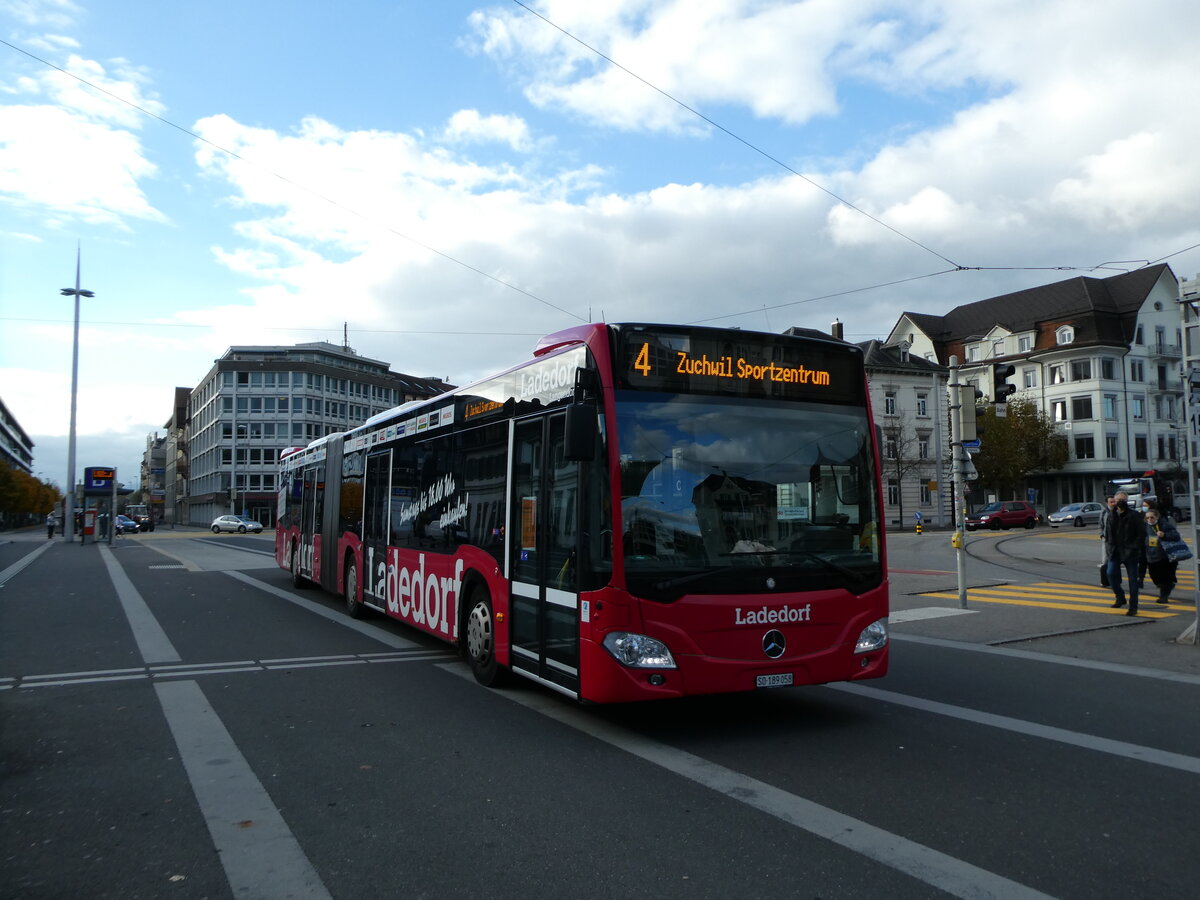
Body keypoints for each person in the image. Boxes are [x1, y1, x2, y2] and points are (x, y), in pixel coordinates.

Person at [1104, 491, 1145, 616]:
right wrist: (1109, 546)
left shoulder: (1134, 515)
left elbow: (1141, 534)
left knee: (1133, 580)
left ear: (1127, 501)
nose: (1119, 502)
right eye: (1117, 500)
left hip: (1130, 552)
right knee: (1110, 574)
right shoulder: (1111, 515)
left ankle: (1133, 607)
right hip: (1115, 551)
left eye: (1122, 500)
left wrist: (1134, 547)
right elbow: (1108, 533)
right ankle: (1120, 596)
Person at [1143, 508, 1181, 604]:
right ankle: (1168, 585)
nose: (1150, 520)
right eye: (1147, 518)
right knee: (1154, 576)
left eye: (1152, 517)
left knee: (1165, 577)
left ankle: (1163, 596)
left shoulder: (1164, 525)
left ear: (1157, 517)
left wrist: (1164, 535)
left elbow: (1176, 536)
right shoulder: (1145, 527)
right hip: (1151, 556)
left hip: (1165, 556)